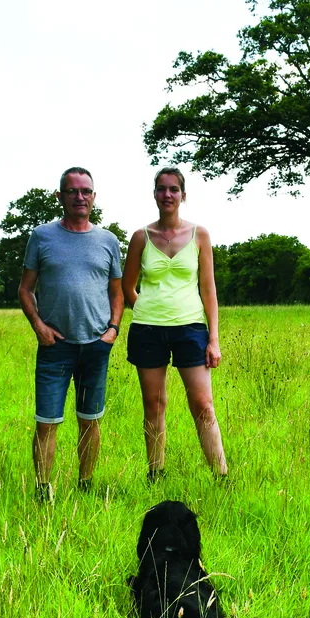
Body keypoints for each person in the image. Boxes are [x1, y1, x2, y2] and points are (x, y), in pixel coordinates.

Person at [18, 166, 123, 502]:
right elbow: (25, 289)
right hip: (55, 347)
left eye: (86, 191)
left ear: (94, 197)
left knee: (89, 420)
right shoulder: (42, 236)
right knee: (47, 422)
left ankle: (86, 484)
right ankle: (42, 490)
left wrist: (113, 329)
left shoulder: (107, 241)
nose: (80, 197)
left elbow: (117, 293)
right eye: (73, 191)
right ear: (60, 196)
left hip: (95, 345)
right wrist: (39, 326)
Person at [122, 167, 227, 481]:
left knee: (203, 404)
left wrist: (214, 339)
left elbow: (208, 289)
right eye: (161, 189)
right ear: (154, 194)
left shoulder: (200, 235)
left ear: (183, 195)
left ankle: (221, 475)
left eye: (173, 189)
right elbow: (128, 287)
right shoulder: (141, 237)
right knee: (154, 405)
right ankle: (156, 473)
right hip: (147, 331)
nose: (167, 195)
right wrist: (149, 310)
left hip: (191, 329)